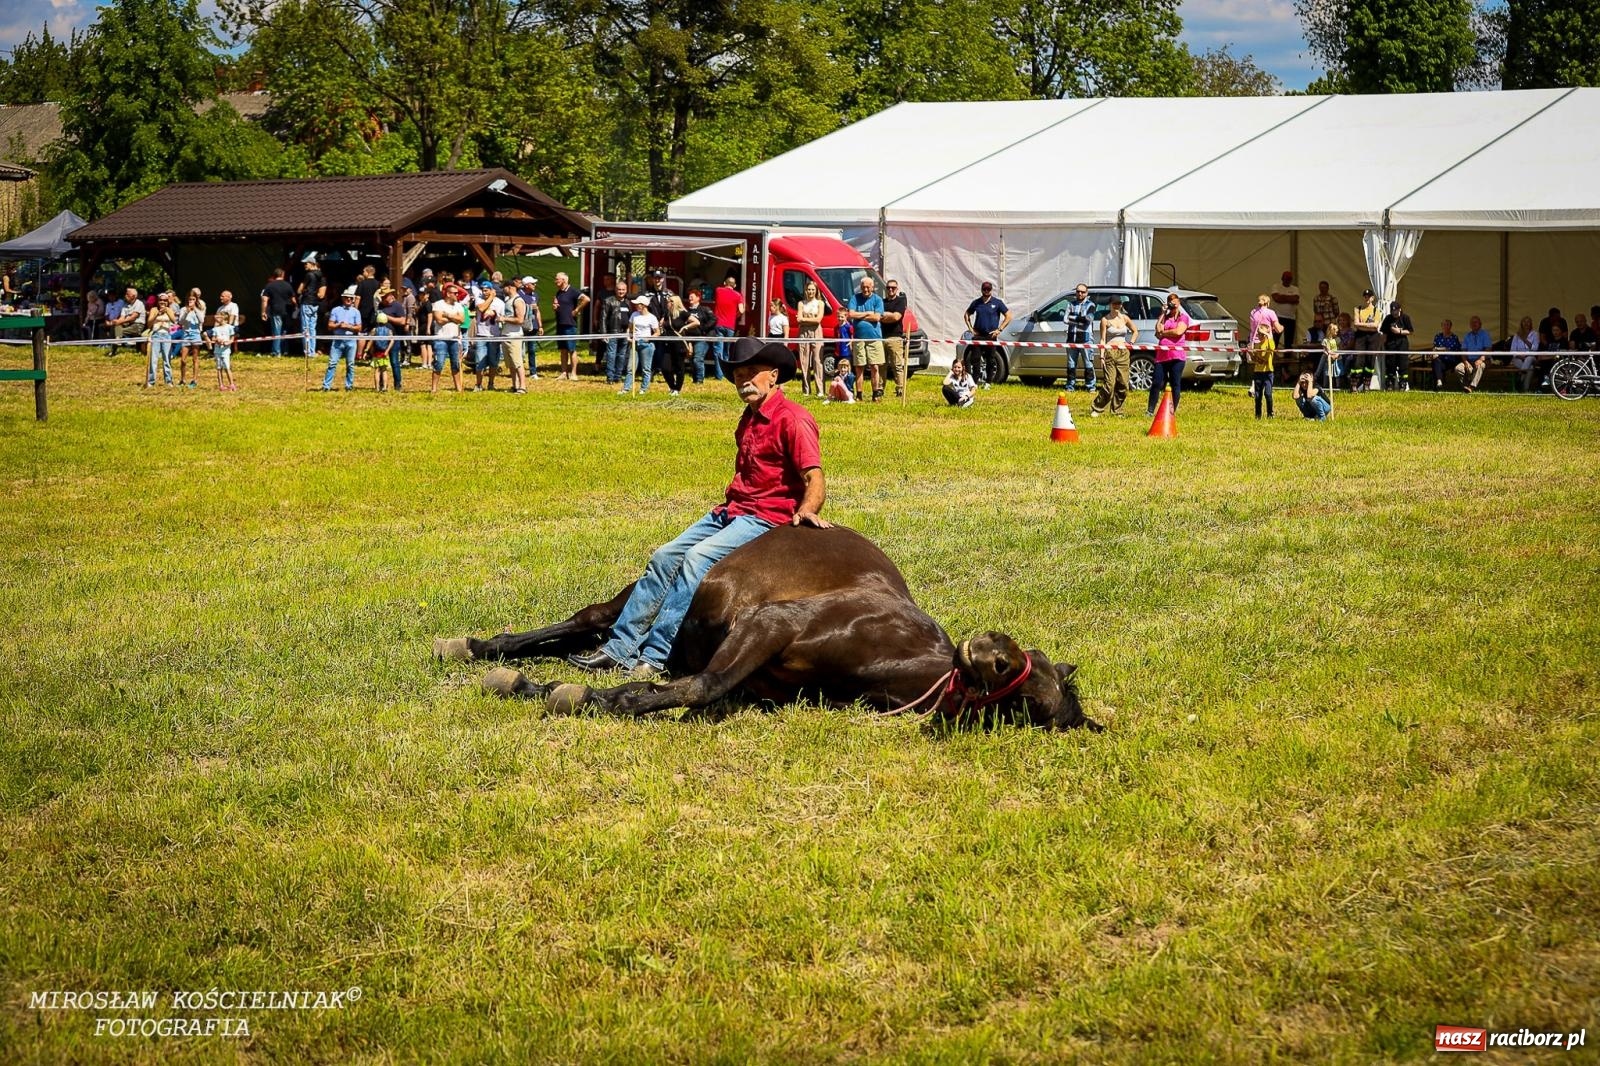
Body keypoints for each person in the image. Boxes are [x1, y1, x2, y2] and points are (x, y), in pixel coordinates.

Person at [568, 337, 827, 680]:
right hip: (733, 510)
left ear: (774, 376)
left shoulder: (793, 419)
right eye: (737, 374)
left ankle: (657, 655)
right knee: (664, 556)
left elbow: (815, 476)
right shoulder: (747, 419)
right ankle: (619, 648)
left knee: (696, 559)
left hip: (766, 517)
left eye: (752, 371)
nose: (744, 379)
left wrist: (807, 510)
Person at [1091, 296, 1135, 417]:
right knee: (1109, 385)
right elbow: (1102, 339)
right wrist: (1101, 356)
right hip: (1110, 353)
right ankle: (1097, 407)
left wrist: (1130, 343)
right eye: (1114, 304)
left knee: (1123, 384)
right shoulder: (1105, 320)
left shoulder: (1125, 318)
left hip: (1123, 353)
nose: (1117, 306)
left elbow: (1135, 331)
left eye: (1119, 304)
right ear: (1110, 304)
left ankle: (1117, 410)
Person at [1149, 290, 1190, 415]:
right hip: (1162, 356)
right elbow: (1157, 331)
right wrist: (1162, 313)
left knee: (1175, 383)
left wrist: (1165, 333)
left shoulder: (1183, 317)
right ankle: (1150, 410)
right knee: (1156, 382)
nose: (1173, 307)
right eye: (1171, 304)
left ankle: (1172, 411)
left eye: (1175, 304)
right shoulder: (1165, 317)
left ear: (1179, 303)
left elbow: (1179, 331)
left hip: (1177, 356)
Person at [963, 281, 1010, 388]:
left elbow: (1008, 316)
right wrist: (970, 328)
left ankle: (988, 382)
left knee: (991, 359)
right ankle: (974, 382)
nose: (986, 291)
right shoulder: (976, 303)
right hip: (978, 335)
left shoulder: (997, 303)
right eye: (984, 289)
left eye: (988, 289)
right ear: (981, 290)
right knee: (975, 359)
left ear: (991, 290)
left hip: (991, 336)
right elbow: (967, 314)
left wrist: (999, 329)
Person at [845, 276, 885, 401]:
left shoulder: (877, 300)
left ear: (872, 287)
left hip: (874, 338)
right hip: (858, 339)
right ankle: (859, 395)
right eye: (863, 287)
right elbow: (850, 314)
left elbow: (877, 317)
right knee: (859, 367)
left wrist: (859, 316)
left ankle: (875, 394)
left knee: (875, 367)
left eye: (868, 287)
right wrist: (868, 313)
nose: (866, 289)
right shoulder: (855, 298)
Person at [323, 286, 362, 391]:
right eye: (347, 297)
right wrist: (339, 325)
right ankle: (326, 386)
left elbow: (359, 327)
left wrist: (348, 326)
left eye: (351, 298)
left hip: (351, 340)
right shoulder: (336, 310)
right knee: (332, 363)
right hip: (337, 339)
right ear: (343, 298)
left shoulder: (356, 312)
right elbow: (330, 326)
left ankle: (349, 385)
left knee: (350, 364)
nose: (349, 299)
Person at [552, 272, 589, 380]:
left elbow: (586, 299)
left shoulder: (572, 291)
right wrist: (555, 307)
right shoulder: (559, 292)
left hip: (570, 324)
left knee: (571, 349)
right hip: (560, 324)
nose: (555, 281)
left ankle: (573, 373)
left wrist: (577, 310)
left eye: (557, 279)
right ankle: (564, 373)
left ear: (563, 280)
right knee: (563, 349)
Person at [430, 283, 466, 393]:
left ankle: (458, 388)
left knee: (455, 364)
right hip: (441, 338)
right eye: (455, 293)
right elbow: (439, 320)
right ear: (448, 294)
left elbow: (462, 320)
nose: (457, 295)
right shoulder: (438, 304)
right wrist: (455, 318)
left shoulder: (459, 306)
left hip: (455, 338)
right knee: (439, 363)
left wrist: (448, 315)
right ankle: (434, 388)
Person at [678, 287, 716, 387]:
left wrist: (703, 328)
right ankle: (695, 379)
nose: (690, 298)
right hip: (690, 339)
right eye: (689, 297)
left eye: (692, 297)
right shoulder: (686, 311)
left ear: (698, 298)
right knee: (691, 359)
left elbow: (713, 320)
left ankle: (699, 380)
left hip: (702, 339)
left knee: (697, 359)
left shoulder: (705, 309)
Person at [1247, 293, 1282, 399]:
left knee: (1257, 365)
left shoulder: (1253, 312)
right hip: (1266, 343)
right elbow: (1278, 329)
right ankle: (1267, 387)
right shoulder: (1270, 313)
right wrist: (1282, 326)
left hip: (1254, 342)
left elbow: (1253, 328)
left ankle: (1254, 385)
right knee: (1267, 365)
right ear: (1268, 303)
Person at [622, 293, 658, 395]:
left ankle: (643, 389)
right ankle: (626, 388)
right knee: (630, 368)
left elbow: (657, 332)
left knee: (646, 368)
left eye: (638, 304)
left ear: (643, 305)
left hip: (646, 345)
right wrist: (628, 336)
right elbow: (629, 328)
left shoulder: (652, 317)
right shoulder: (634, 315)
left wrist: (649, 339)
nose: (636, 305)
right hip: (634, 343)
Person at [471, 282, 504, 391]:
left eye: (486, 290)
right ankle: (478, 384)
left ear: (491, 289)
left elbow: (502, 317)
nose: (484, 292)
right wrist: (491, 297)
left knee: (493, 362)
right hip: (481, 335)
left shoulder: (500, 303)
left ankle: (491, 383)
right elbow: (481, 309)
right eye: (482, 290)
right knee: (479, 361)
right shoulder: (479, 299)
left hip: (494, 335)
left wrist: (493, 313)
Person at [795, 280, 825, 397]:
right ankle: (806, 390)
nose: (811, 292)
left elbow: (818, 320)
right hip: (803, 333)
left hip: (816, 332)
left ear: (816, 290)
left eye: (813, 289)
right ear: (805, 291)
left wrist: (804, 320)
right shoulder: (801, 303)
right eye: (809, 289)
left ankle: (820, 390)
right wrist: (805, 320)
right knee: (804, 360)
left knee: (818, 361)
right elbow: (798, 319)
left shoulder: (820, 303)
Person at [1063, 283, 1096, 392]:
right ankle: (1070, 386)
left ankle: (1091, 386)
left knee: (1088, 364)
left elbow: (1088, 319)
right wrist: (1081, 320)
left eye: (1082, 292)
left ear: (1086, 293)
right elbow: (1065, 319)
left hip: (1086, 339)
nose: (1080, 294)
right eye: (1078, 291)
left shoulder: (1090, 305)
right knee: (1071, 364)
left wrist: (1073, 318)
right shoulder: (1070, 304)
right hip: (1072, 339)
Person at [880, 278, 909, 398]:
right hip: (881, 337)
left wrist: (884, 315)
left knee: (897, 365)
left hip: (895, 337)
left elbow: (896, 317)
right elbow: (877, 316)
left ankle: (900, 389)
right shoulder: (881, 302)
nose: (890, 290)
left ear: (897, 289)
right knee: (881, 365)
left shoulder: (900, 302)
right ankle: (880, 389)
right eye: (888, 288)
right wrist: (887, 316)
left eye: (893, 288)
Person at [1348, 289, 1381, 391]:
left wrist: (1363, 325)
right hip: (1360, 336)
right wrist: (1368, 326)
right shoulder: (1358, 309)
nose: (1367, 298)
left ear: (1372, 298)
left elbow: (1376, 326)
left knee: (1370, 360)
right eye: (1365, 296)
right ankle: (1354, 384)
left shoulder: (1377, 310)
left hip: (1373, 337)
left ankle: (1367, 383)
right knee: (1358, 359)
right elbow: (1356, 324)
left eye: (1369, 296)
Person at [711, 274, 744, 375]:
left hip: (719, 324)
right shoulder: (738, 295)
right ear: (735, 285)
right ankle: (727, 373)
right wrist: (735, 315)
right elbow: (742, 310)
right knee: (727, 350)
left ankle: (719, 374)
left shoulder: (718, 290)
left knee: (718, 350)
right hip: (730, 326)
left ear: (725, 283)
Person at [260, 267, 297, 356]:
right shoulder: (288, 285)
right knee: (284, 331)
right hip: (287, 311)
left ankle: (276, 352)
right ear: (282, 275)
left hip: (275, 311)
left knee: (276, 331)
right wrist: (296, 308)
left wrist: (263, 312)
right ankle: (285, 350)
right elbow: (293, 300)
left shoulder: (269, 286)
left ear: (274, 275)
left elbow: (264, 300)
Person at [499, 280, 527, 394]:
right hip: (506, 334)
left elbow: (520, 320)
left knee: (517, 362)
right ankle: (514, 385)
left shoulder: (518, 300)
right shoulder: (507, 300)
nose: (502, 290)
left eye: (504, 288)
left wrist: (504, 319)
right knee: (510, 364)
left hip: (515, 335)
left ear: (510, 287)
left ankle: (523, 386)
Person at [176, 288, 207, 388]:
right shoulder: (183, 309)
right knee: (183, 359)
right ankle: (182, 379)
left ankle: (194, 380)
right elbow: (180, 322)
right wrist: (187, 312)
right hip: (186, 334)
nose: (191, 301)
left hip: (195, 334)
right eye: (190, 299)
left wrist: (195, 309)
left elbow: (201, 320)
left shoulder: (199, 309)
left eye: (193, 299)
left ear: (196, 300)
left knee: (195, 358)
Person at [145, 292, 178, 388]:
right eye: (161, 300)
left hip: (166, 336)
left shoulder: (169, 310)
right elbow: (149, 324)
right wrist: (157, 314)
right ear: (158, 301)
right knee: (153, 359)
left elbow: (173, 320)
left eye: (165, 300)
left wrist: (166, 311)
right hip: (156, 335)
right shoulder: (153, 309)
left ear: (167, 301)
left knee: (166, 359)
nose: (162, 302)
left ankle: (168, 381)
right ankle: (151, 381)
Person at [1380, 300, 1414, 390]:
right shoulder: (1388, 318)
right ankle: (1390, 383)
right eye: (1393, 311)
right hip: (1390, 344)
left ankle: (1403, 383)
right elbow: (1384, 333)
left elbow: (1410, 331)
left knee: (1403, 364)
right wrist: (1381, 345)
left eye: (1396, 311)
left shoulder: (1405, 317)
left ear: (1400, 309)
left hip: (1402, 343)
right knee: (1390, 364)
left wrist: (1399, 331)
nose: (1394, 313)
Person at [1248, 316, 1276, 418]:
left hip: (1268, 372)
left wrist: (1268, 336)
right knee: (1258, 395)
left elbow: (1272, 348)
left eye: (1261, 334)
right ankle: (1258, 415)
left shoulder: (1269, 343)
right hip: (1258, 372)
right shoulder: (1257, 345)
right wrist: (1251, 354)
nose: (1259, 336)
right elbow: (1256, 359)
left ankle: (1270, 413)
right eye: (1259, 334)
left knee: (1268, 394)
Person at [298, 255, 325, 358]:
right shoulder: (321, 275)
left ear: (312, 264)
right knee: (313, 328)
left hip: (307, 302)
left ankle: (307, 352)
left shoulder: (308, 275)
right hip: (315, 303)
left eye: (306, 263)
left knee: (305, 328)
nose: (305, 265)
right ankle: (312, 351)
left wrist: (303, 290)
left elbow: (300, 290)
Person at [1271, 270, 1301, 353]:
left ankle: (1287, 362)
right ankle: (1273, 358)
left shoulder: (1295, 289)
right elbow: (1276, 298)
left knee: (1289, 341)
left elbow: (1295, 298)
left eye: (1289, 279)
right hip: (1278, 317)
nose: (1287, 280)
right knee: (1275, 339)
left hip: (1291, 318)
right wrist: (1290, 299)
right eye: (1286, 278)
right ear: (1282, 278)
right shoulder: (1276, 286)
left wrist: (1282, 297)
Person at [1429, 319, 1462, 389]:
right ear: (1441, 326)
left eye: (1447, 325)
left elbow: (1449, 349)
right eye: (1444, 325)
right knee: (1435, 361)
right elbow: (1434, 348)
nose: (1445, 326)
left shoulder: (1454, 337)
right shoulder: (1438, 336)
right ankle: (1439, 381)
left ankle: (1437, 384)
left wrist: (1438, 349)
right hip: (1441, 361)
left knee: (1435, 364)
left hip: (1451, 360)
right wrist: (1434, 353)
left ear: (1450, 326)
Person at [1510, 316, 1540, 393]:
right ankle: (1525, 389)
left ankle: (1520, 377)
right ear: (1521, 324)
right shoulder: (1516, 335)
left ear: (1531, 324)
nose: (1526, 324)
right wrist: (1520, 356)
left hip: (1531, 357)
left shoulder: (1535, 334)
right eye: (1524, 322)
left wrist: (1524, 340)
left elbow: (1535, 349)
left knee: (1529, 358)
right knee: (1530, 368)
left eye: (1528, 322)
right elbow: (1512, 350)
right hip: (1518, 358)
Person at [209, 309, 237, 391]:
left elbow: (232, 338)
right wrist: (217, 340)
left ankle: (231, 384)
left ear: (224, 318)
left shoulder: (230, 327)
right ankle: (221, 385)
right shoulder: (215, 329)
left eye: (219, 316)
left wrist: (228, 342)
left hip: (225, 351)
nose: (217, 317)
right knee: (218, 368)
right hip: (217, 351)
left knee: (227, 367)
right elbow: (213, 338)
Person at [1310, 280, 1340, 344]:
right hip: (1320, 325)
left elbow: (1337, 312)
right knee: (1321, 341)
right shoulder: (1316, 298)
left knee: (1331, 340)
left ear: (1328, 288)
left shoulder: (1332, 298)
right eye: (1321, 287)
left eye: (1324, 287)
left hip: (1330, 323)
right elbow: (1315, 310)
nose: (1322, 289)